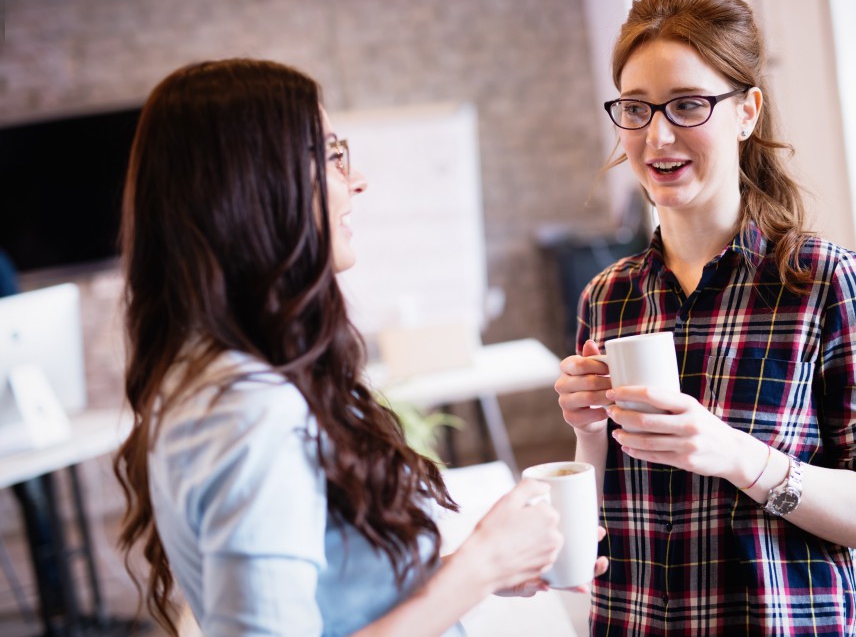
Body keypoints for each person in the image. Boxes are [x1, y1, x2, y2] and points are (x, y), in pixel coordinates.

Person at [114, 58, 605, 637]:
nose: (358, 180)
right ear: (260, 186)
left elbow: (338, 602)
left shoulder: (234, 379)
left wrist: (471, 574)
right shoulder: (247, 411)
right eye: (331, 154)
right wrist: (478, 568)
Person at [554, 0, 856, 636]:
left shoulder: (825, 283)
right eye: (636, 109)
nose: (657, 136)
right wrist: (587, 430)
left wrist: (734, 455)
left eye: (687, 105)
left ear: (746, 112)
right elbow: (601, 514)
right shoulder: (606, 297)